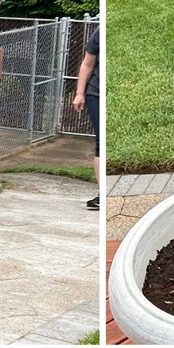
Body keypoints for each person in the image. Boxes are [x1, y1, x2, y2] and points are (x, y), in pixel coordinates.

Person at [72, 22, 100, 210]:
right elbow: (87, 63)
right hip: (96, 94)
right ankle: (102, 194)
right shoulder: (102, 31)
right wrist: (79, 93)